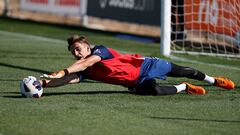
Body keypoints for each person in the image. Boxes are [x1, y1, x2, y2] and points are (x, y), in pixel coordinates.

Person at [39, 35, 235, 96]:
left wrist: (63, 70)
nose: (76, 52)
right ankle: (184, 87)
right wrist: (45, 85)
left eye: (78, 48)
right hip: (135, 82)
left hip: (146, 66)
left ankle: (214, 80)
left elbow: (85, 64)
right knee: (155, 91)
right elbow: (69, 79)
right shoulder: (85, 69)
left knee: (183, 70)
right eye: (73, 51)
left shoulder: (100, 51)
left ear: (87, 46)